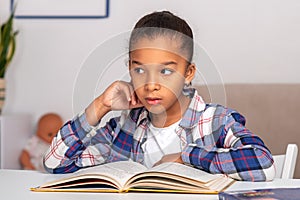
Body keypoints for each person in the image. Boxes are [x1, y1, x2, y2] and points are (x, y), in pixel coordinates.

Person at [43, 11, 275, 181]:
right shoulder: (124, 128)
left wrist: (187, 157)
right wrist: (100, 106)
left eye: (165, 71)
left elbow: (263, 164)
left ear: (188, 73)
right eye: (140, 70)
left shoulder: (215, 122)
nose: (151, 85)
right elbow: (55, 164)